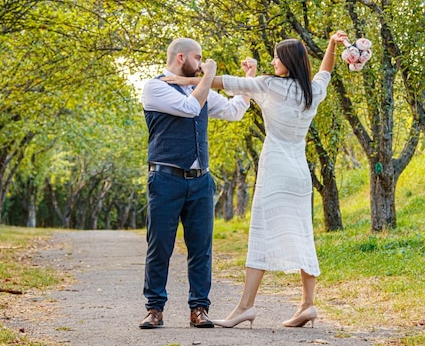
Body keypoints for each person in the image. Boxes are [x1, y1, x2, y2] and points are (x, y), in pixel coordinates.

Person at [164, 31, 349, 329]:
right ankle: (308, 305)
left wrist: (185, 81)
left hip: (275, 167)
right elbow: (326, 70)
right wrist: (331, 45)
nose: (273, 60)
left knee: (261, 234)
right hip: (300, 172)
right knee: (303, 234)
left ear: (287, 62)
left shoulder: (269, 85)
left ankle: (245, 307)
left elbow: (225, 82)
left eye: (277, 56)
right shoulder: (312, 91)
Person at [139, 38, 253, 329]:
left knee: (201, 248)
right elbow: (190, 108)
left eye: (204, 60)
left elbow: (233, 112)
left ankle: (199, 308)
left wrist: (248, 83)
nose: (202, 64)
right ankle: (155, 309)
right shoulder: (155, 87)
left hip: (201, 181)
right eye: (198, 58)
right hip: (165, 178)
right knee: (159, 246)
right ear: (181, 58)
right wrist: (211, 73)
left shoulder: (197, 89)